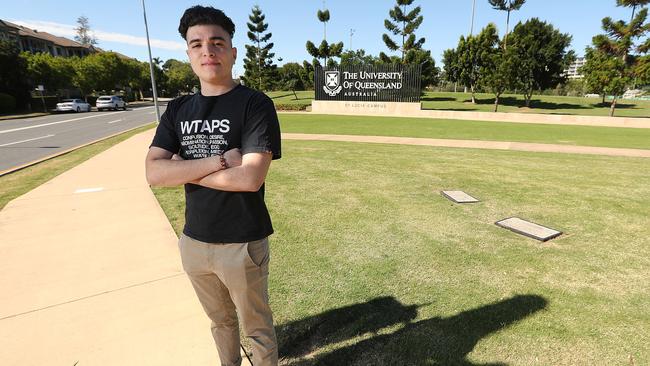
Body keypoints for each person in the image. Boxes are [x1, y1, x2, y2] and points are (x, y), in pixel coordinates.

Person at [145, 5, 281, 366]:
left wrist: (182, 169)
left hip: (242, 243)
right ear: (188, 53)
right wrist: (220, 161)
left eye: (217, 42)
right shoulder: (177, 109)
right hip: (193, 241)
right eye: (197, 44)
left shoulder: (254, 104)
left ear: (233, 52)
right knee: (219, 323)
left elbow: (250, 178)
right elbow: (154, 174)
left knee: (257, 329)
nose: (208, 50)